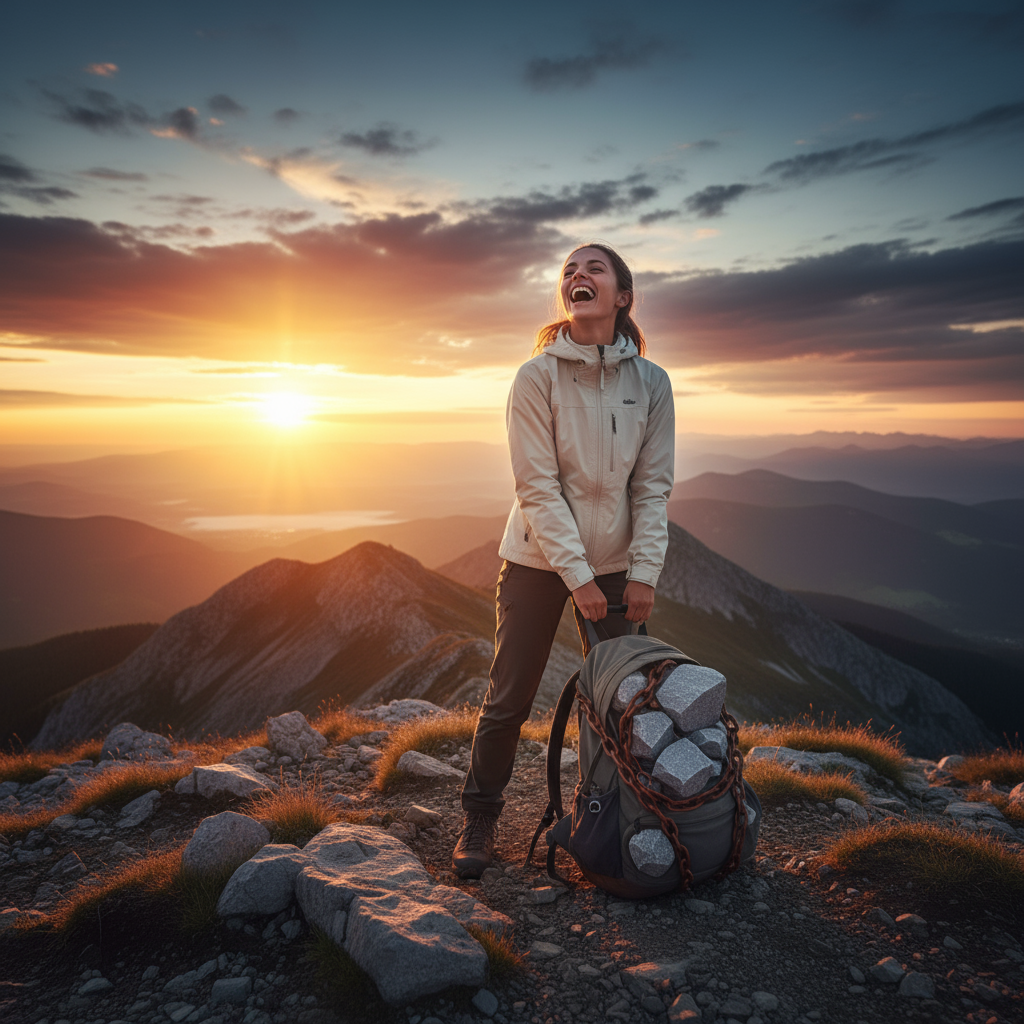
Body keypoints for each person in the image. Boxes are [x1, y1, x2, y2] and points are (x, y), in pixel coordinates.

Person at [453, 242, 675, 878]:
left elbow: (652, 486)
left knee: (620, 701)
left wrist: (643, 574)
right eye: (569, 272)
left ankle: (611, 814)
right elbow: (537, 487)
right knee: (509, 696)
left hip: (616, 566)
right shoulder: (537, 376)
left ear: (621, 296)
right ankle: (480, 814)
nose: (578, 276)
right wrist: (578, 578)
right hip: (535, 561)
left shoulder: (651, 383)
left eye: (594, 269)